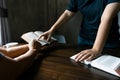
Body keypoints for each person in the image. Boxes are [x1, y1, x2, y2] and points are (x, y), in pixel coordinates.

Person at [39, 0, 120, 62]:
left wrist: (96, 49)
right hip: (84, 39)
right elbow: (68, 13)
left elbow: (106, 18)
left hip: (108, 43)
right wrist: (51, 30)